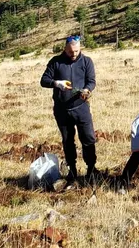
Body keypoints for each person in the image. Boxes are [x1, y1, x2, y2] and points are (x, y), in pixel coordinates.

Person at [39, 35, 98, 185]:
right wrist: (57, 83)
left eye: (77, 51)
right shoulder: (55, 62)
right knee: (67, 140)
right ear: (65, 48)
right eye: (71, 52)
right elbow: (44, 81)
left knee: (88, 138)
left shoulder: (87, 62)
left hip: (81, 107)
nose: (74, 54)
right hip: (62, 110)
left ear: (80, 48)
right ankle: (72, 170)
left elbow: (91, 81)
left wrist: (87, 90)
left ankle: (91, 168)